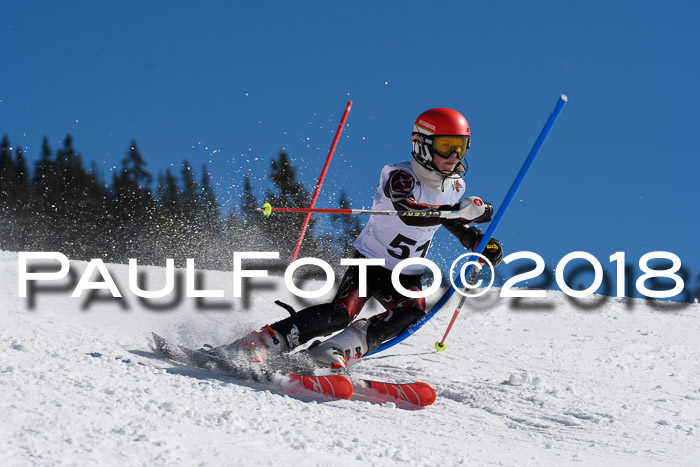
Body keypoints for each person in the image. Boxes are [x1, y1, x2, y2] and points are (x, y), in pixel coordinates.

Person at [228, 107, 503, 369]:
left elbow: (448, 221)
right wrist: (456, 211)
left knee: (411, 312)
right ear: (422, 144)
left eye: (461, 146)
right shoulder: (401, 176)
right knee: (341, 314)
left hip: (407, 273)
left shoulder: (455, 185)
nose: (455, 155)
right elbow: (409, 212)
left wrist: (476, 241)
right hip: (370, 263)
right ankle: (262, 343)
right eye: (446, 146)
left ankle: (334, 350)